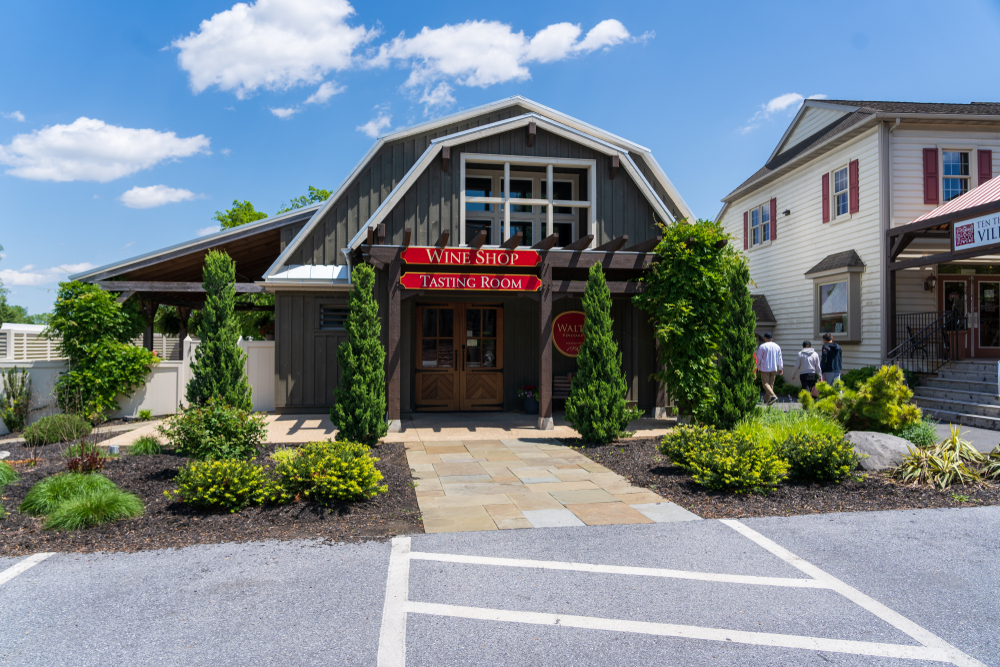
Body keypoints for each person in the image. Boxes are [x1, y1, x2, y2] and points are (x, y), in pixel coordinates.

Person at [756, 332, 783, 406]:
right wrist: (780, 368)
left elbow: (759, 358)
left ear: (765, 338)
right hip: (774, 368)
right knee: (770, 385)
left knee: (765, 384)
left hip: (765, 368)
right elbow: (780, 358)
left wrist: (756, 366)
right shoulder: (777, 346)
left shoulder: (762, 346)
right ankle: (766, 401)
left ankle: (773, 396)